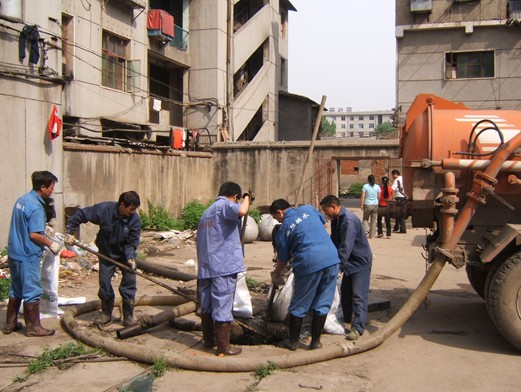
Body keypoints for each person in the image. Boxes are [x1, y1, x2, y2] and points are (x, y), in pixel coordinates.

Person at [270, 199, 340, 351]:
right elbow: (324, 222)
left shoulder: (284, 229)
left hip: (309, 262)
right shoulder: (308, 209)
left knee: (300, 303)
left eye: (276, 218)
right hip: (332, 259)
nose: (278, 221)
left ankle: (293, 342)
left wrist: (276, 273)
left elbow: (282, 259)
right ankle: (315, 342)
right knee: (323, 301)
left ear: (280, 212)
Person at [64, 191, 142, 327]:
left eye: (134, 210)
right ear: (122, 205)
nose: (132, 212)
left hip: (125, 256)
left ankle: (128, 316)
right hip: (106, 254)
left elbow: (131, 243)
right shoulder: (105, 210)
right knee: (104, 284)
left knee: (129, 283)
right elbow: (82, 214)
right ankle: (106, 313)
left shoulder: (134, 220)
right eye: (130, 209)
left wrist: (130, 258)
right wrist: (70, 232)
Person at [196, 182, 252, 356]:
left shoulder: (207, 212)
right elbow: (241, 211)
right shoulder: (225, 206)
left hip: (206, 267)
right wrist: (247, 198)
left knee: (206, 304)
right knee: (222, 304)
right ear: (235, 197)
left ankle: (207, 340)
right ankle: (222, 347)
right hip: (223, 266)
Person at [4, 171, 61, 337]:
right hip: (28, 255)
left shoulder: (22, 200)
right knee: (32, 290)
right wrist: (52, 244)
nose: (52, 190)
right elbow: (34, 234)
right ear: (42, 187)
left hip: (15, 252)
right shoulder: (36, 206)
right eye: (51, 187)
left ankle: (10, 323)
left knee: (16, 289)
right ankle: (34, 327)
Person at [320, 195, 373, 341]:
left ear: (333, 207)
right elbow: (334, 241)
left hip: (359, 262)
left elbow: (345, 247)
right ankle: (347, 319)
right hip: (349, 262)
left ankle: (358, 328)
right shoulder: (337, 220)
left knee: (359, 295)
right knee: (346, 293)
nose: (325, 213)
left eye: (325, 210)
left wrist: (336, 268)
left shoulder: (348, 221)